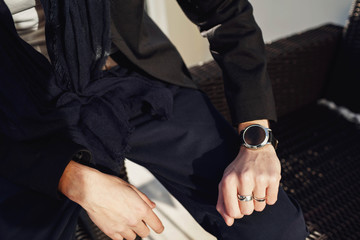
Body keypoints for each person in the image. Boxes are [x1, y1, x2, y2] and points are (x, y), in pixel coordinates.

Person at [0, 0, 308, 239]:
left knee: (272, 228)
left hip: (126, 76)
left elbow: (224, 12)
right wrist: (74, 180)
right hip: (16, 114)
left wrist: (256, 138)